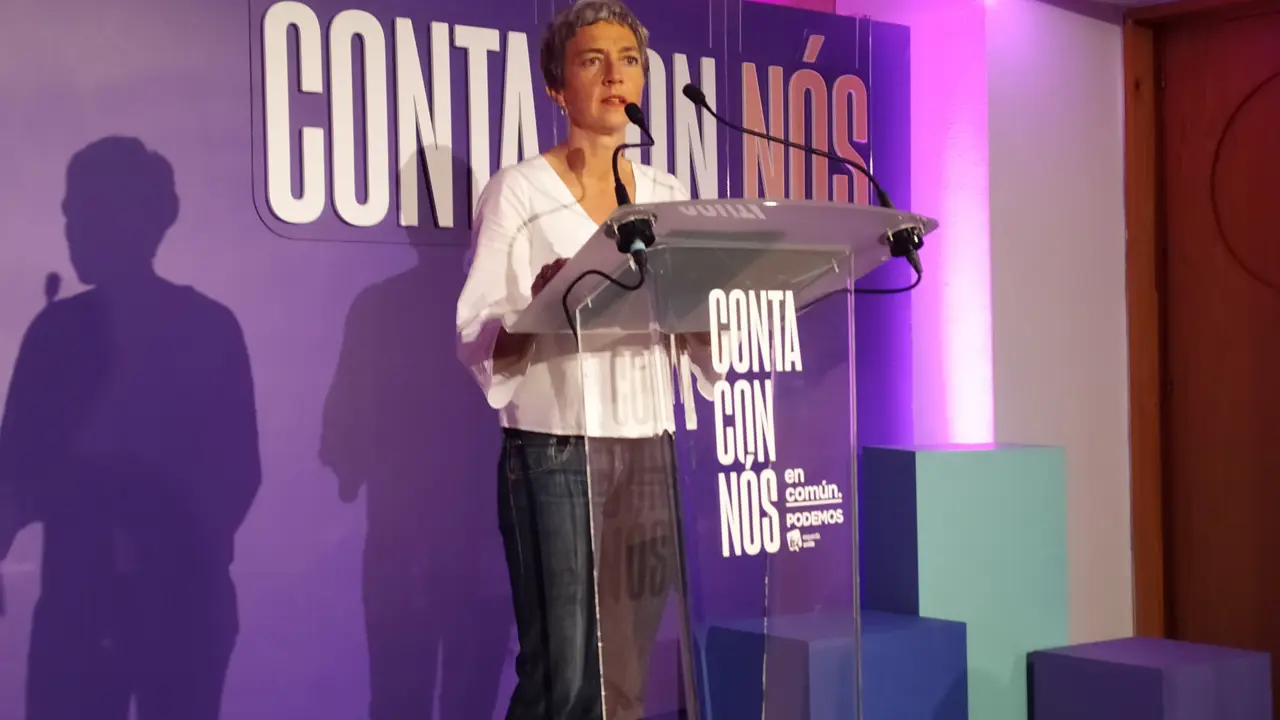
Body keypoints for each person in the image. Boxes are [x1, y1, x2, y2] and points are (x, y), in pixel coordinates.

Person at [454, 1, 717, 718]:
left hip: (649, 448)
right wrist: (545, 305)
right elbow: (477, 333)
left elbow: (697, 337)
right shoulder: (519, 192)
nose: (613, 76)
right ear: (556, 86)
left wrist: (713, 308)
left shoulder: (666, 196)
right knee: (566, 677)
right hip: (557, 450)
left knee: (626, 675)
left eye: (628, 60)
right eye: (592, 60)